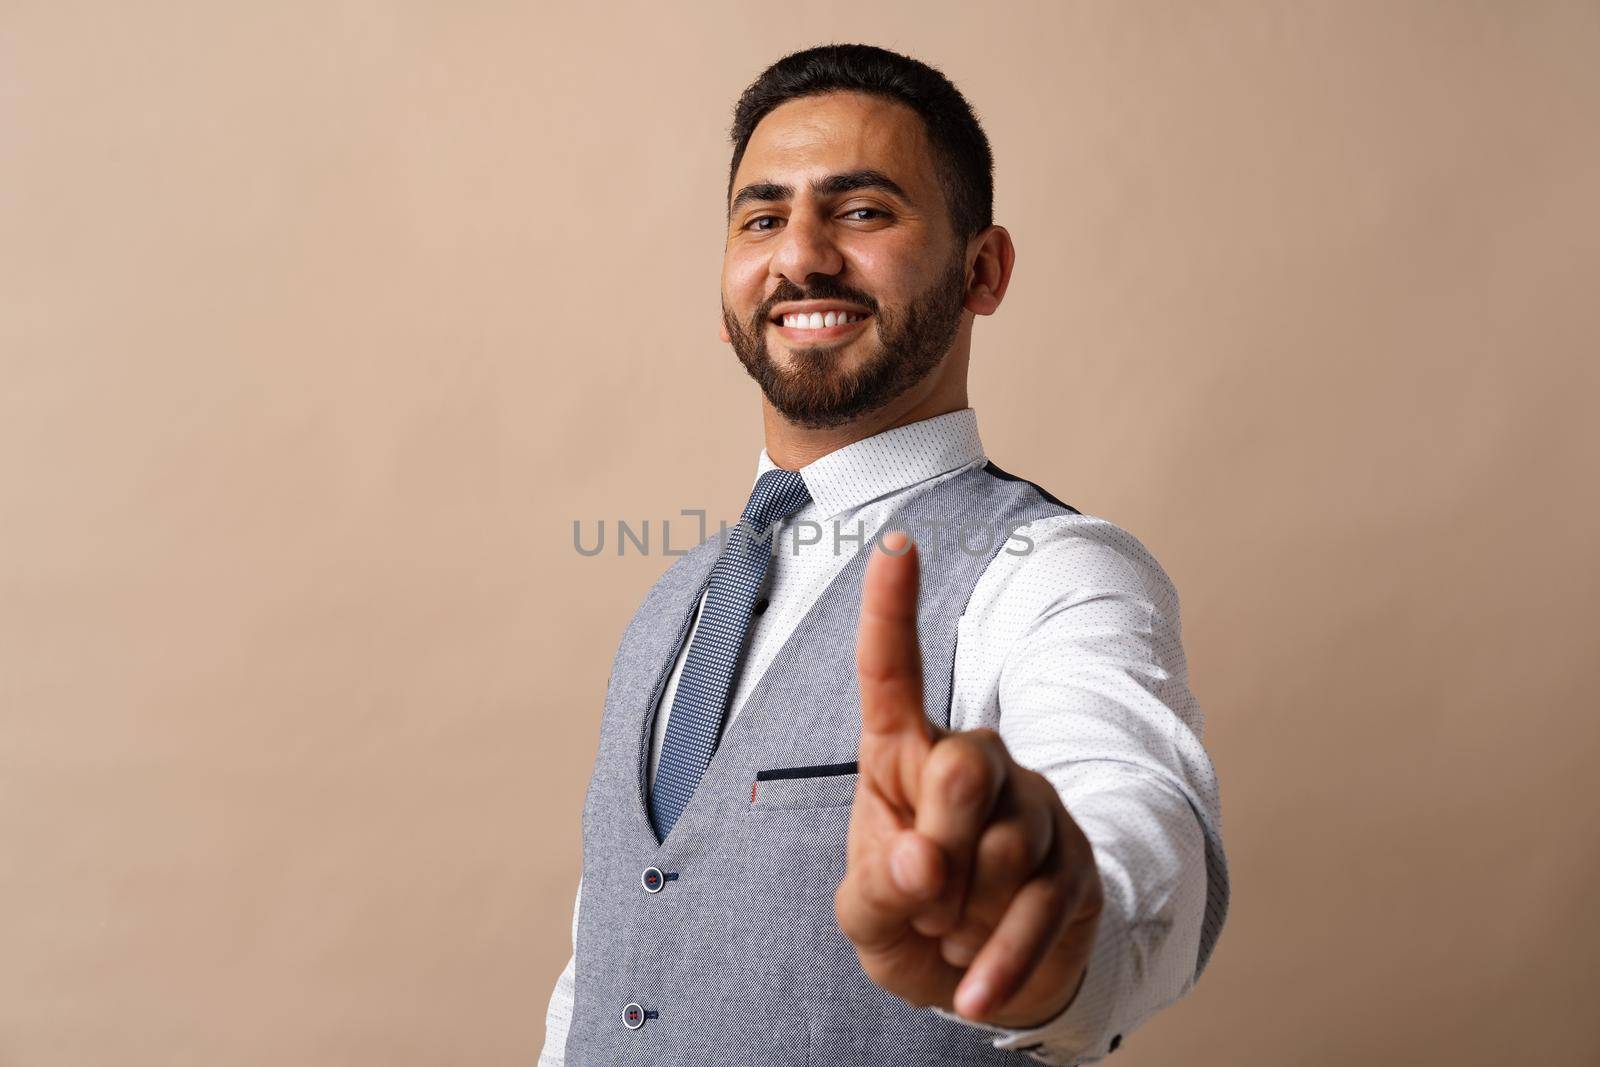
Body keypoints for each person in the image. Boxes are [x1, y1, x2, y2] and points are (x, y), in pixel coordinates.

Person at [539, 43, 1228, 1066]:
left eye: (861, 211)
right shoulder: (673, 602)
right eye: (762, 217)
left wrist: (1053, 932)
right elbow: (608, 959)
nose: (802, 255)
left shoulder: (1051, 572)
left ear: (981, 269)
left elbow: (1130, 827)